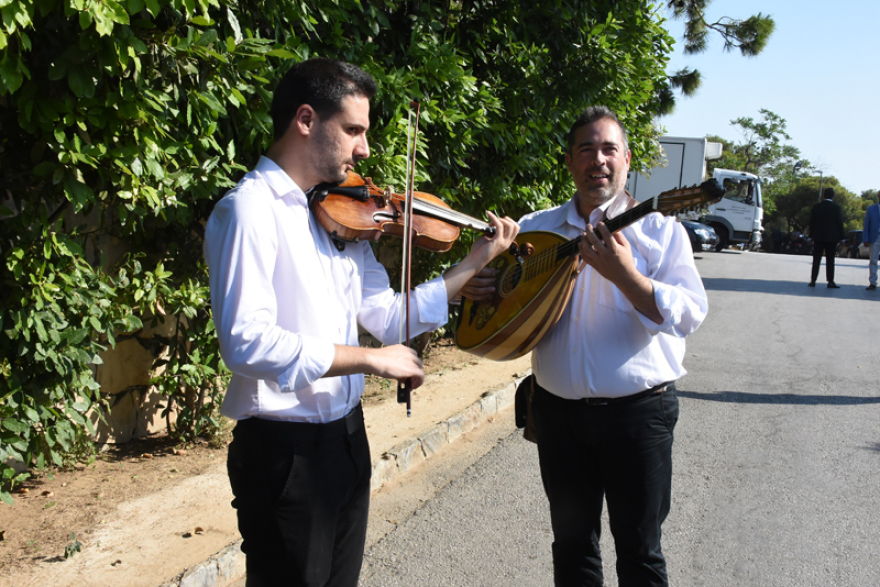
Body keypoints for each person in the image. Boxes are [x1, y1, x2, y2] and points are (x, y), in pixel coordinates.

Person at [203, 58, 519, 587]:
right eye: (353, 130)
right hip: (286, 455)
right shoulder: (248, 210)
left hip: (348, 441)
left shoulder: (338, 216)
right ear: (306, 119)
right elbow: (245, 343)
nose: (364, 149)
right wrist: (369, 360)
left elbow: (391, 318)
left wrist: (473, 264)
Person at [461, 106, 707, 586]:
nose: (599, 160)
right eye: (587, 150)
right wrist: (484, 288)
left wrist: (626, 276)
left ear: (627, 160)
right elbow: (509, 301)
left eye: (609, 149)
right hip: (558, 416)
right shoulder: (537, 230)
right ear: (570, 162)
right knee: (571, 548)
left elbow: (690, 315)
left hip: (638, 417)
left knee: (640, 552)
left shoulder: (660, 231)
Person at [808, 187, 845, 288]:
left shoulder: (817, 207)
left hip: (818, 237)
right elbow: (839, 223)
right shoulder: (836, 208)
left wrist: (811, 236)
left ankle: (813, 280)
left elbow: (812, 223)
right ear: (833, 196)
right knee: (830, 260)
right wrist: (842, 238)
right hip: (831, 238)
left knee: (816, 259)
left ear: (824, 195)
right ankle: (830, 281)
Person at [862, 192, 880, 290]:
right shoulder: (871, 209)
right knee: (873, 260)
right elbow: (866, 225)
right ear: (878, 196)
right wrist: (866, 239)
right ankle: (873, 282)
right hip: (874, 238)